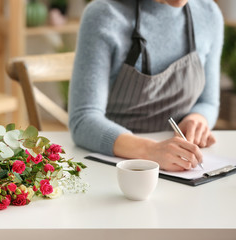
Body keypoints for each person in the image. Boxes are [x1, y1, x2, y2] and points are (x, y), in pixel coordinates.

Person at [68, 0, 224, 171]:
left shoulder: (208, 13)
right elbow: (83, 119)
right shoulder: (104, 14)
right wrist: (149, 151)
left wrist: (197, 118)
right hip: (116, 165)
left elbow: (208, 102)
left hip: (180, 164)